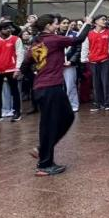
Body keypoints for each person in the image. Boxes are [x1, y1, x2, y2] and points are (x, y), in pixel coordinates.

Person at [28, 15, 91, 176]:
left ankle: (43, 152)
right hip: (50, 87)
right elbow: (79, 39)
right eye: (55, 24)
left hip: (42, 87)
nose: (57, 26)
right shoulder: (53, 40)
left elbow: (26, 62)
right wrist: (88, 24)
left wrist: (27, 71)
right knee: (51, 124)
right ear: (49, 26)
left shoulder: (36, 42)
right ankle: (44, 164)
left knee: (64, 118)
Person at [83, 14, 109, 111]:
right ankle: (98, 103)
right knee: (96, 83)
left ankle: (108, 103)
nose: (105, 21)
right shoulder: (89, 33)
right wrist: (84, 58)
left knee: (106, 82)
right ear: (96, 21)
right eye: (103, 19)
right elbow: (85, 47)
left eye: (105, 20)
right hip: (93, 61)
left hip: (105, 60)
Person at [59, 18, 81, 112]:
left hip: (69, 64)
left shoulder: (75, 35)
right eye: (63, 23)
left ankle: (73, 105)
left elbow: (78, 49)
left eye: (67, 23)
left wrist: (71, 61)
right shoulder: (55, 35)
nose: (66, 25)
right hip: (57, 65)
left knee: (70, 85)